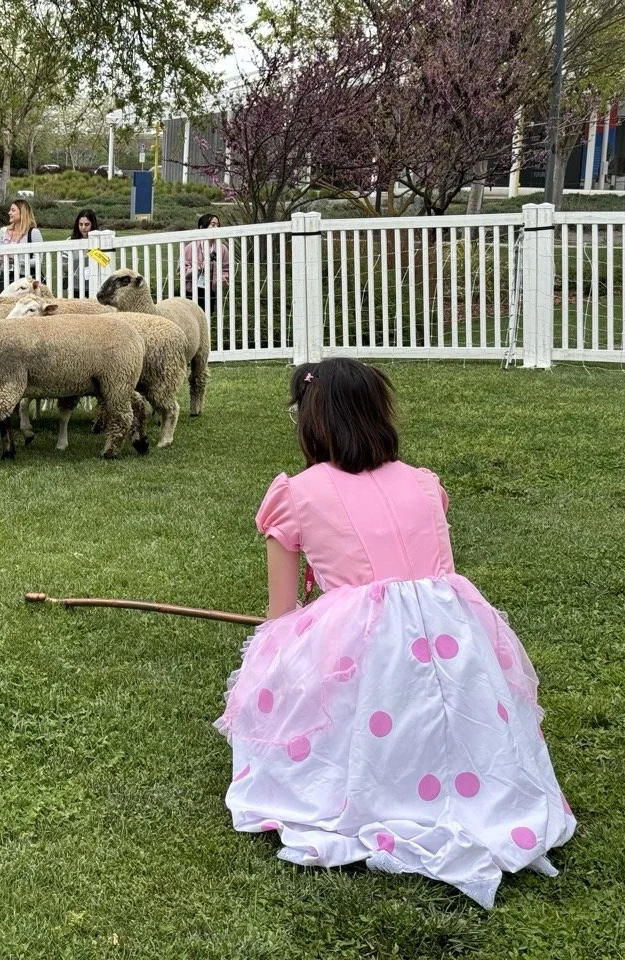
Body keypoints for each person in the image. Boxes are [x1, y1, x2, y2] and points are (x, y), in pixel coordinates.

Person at [214, 359, 575, 909]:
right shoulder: (426, 484)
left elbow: (281, 614)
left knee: (303, 685)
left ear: (309, 418)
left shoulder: (295, 493)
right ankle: (461, 779)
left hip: (366, 656)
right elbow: (439, 580)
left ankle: (367, 781)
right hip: (453, 643)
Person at [180, 213, 231, 314]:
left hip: (211, 289)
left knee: (206, 316)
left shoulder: (222, 248)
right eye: (212, 225)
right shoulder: (191, 247)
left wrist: (222, 278)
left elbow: (226, 269)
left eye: (218, 225)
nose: (216, 228)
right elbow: (181, 269)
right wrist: (198, 267)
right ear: (202, 227)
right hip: (192, 289)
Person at [0, 198, 43, 291]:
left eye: (13, 210)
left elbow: (38, 260)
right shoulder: (3, 231)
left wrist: (17, 260)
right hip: (5, 278)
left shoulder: (33, 233)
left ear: (22, 213)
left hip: (26, 279)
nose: (9, 213)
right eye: (10, 210)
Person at [66, 208, 99, 296]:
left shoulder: (99, 241)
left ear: (93, 224)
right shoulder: (70, 241)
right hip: (75, 286)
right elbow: (64, 264)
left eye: (87, 224)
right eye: (81, 224)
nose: (83, 228)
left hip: (95, 286)